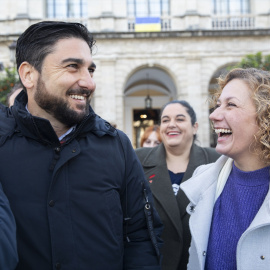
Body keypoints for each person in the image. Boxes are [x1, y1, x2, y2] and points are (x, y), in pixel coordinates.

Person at [0, 21, 163, 270]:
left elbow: (142, 237)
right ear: (28, 75)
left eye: (90, 70)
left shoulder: (116, 146)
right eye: (72, 67)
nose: (88, 82)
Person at [180, 68, 270, 270]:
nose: (214, 115)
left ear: (265, 117)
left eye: (231, 105)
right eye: (218, 105)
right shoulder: (202, 179)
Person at [135, 100, 220, 270]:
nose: (171, 125)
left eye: (180, 119)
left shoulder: (216, 161)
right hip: (151, 262)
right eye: (165, 120)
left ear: (195, 127)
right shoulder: (138, 159)